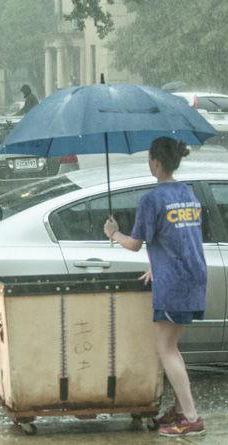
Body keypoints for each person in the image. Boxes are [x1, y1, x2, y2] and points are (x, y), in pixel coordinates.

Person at [103, 137, 206, 437]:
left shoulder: (152, 200)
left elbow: (134, 245)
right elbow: (179, 239)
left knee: (166, 349)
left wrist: (114, 233)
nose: (149, 163)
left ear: (156, 162)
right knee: (173, 346)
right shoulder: (187, 194)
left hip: (173, 283)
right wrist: (156, 265)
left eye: (150, 159)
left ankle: (190, 419)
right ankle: (180, 408)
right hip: (192, 277)